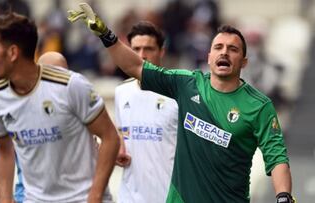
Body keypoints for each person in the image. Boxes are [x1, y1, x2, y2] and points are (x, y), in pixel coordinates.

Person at [67, 3, 295, 203]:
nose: (224, 52)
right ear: (209, 57)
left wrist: (283, 196)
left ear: (243, 61)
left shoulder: (259, 106)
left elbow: (276, 158)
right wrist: (105, 34)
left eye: (233, 49)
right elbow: (135, 67)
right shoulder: (187, 84)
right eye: (218, 47)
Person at [0, 9, 119, 203]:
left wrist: (95, 196)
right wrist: (5, 200)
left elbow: (110, 137)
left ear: (13, 53)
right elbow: (2, 151)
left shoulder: (70, 86)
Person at [0, 51, 70, 203]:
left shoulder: (77, 112)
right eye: (52, 74)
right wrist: (5, 197)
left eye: (62, 75)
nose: (57, 81)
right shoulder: (21, 116)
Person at [115, 21, 178, 203]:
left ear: (162, 52)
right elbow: (120, 133)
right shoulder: (121, 92)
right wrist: (116, 151)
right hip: (129, 196)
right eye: (136, 49)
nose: (142, 55)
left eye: (149, 49)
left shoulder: (177, 94)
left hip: (166, 196)